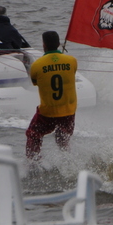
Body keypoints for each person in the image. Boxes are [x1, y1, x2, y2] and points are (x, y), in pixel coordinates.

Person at [26, 31, 78, 160]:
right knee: (62, 138)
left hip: (48, 113)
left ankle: (33, 163)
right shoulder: (72, 61)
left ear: (44, 45)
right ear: (59, 44)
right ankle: (68, 161)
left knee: (34, 134)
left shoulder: (37, 65)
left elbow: (35, 82)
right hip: (69, 111)